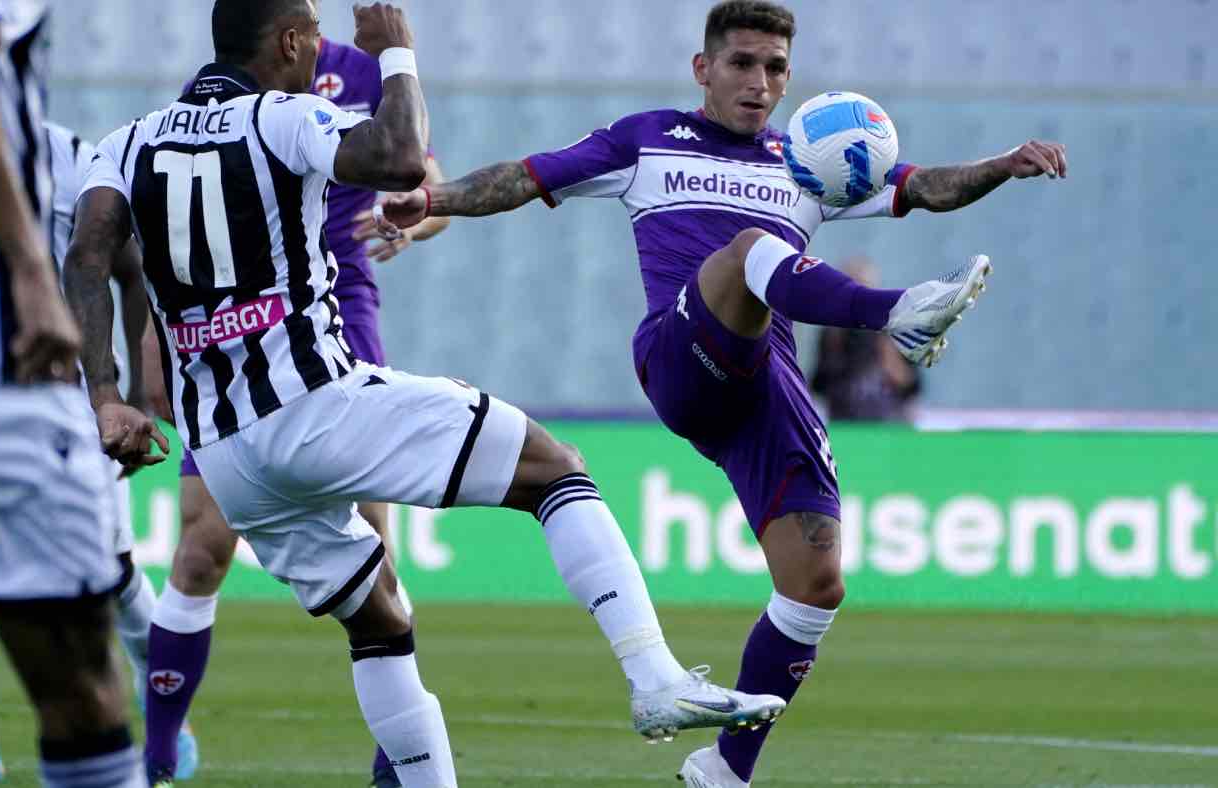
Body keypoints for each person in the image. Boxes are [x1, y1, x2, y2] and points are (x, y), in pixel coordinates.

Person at [63, 3, 785, 786]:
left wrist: (105, 393)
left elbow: (87, 256)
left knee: (378, 621)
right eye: (311, 35)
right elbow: (403, 160)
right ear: (292, 42)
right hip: (315, 404)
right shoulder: (286, 117)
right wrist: (398, 57)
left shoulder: (126, 142)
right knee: (556, 470)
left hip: (231, 455)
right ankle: (654, 678)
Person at [378, 2, 1067, 785]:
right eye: (743, 63)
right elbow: (525, 176)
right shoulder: (643, 140)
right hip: (680, 354)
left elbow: (926, 186)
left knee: (815, 583)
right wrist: (429, 200)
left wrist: (1003, 163)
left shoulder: (809, 160)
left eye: (775, 68)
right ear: (703, 69)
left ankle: (725, 771)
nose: (760, 82)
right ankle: (898, 316)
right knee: (747, 252)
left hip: (765, 383)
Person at [138, 35, 451, 787]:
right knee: (202, 543)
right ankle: (153, 757)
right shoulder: (222, 81)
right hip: (239, 319)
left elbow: (426, 183)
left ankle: (397, 759)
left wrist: (414, 220)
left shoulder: (365, 69)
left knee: (374, 536)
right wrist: (156, 332)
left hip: (340, 303)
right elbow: (180, 218)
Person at [0, 120, 185, 784]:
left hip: (63, 401)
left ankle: (167, 709)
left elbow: (129, 272)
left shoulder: (67, 156)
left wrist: (126, 391)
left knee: (111, 569)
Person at [809, 258, 921, 422]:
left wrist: (890, 358)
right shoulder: (832, 333)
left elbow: (912, 387)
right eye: (853, 291)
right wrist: (835, 352)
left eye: (864, 289)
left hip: (890, 426)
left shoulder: (895, 329)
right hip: (845, 426)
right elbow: (818, 385)